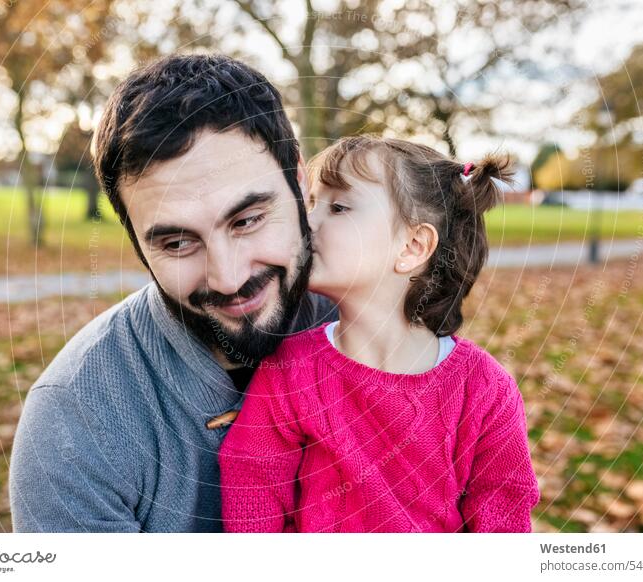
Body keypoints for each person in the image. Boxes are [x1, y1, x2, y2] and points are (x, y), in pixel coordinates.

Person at [8, 54, 338, 532]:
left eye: (247, 220)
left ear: (299, 179)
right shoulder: (73, 424)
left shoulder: (386, 331)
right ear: (136, 241)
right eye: (178, 243)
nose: (227, 278)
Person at [219, 136, 540, 532]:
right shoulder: (289, 373)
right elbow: (253, 491)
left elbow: (503, 516)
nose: (307, 222)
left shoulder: (484, 390)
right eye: (310, 205)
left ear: (412, 246)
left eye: (337, 207)